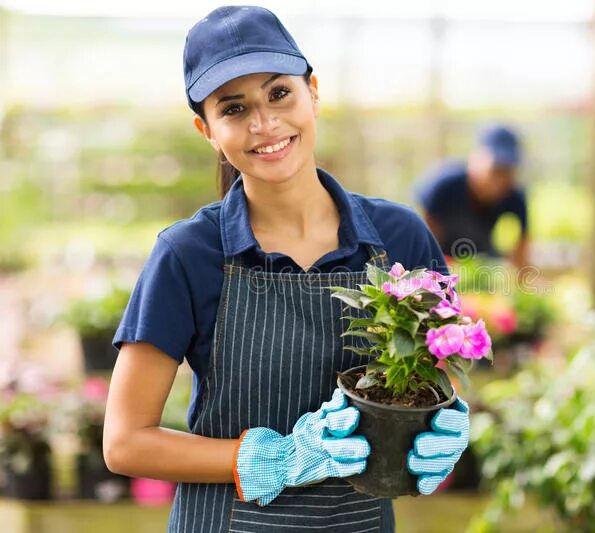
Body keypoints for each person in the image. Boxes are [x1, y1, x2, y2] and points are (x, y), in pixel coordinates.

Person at [102, 6, 469, 532]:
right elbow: (124, 442)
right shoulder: (189, 253)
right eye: (234, 108)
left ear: (313, 92)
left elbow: (438, 384)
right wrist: (268, 459)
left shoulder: (400, 238)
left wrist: (445, 429)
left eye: (279, 93)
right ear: (206, 129)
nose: (264, 123)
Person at [416, 124, 530, 269]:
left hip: (479, 263)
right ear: (476, 159)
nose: (501, 180)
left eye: (507, 171)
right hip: (441, 259)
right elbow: (424, 238)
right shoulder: (445, 184)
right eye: (496, 169)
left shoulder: (514, 196)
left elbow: (522, 249)